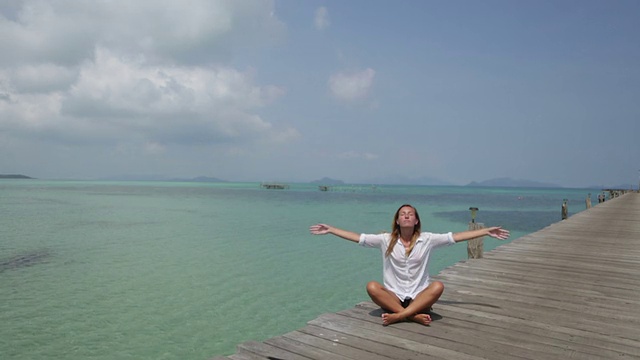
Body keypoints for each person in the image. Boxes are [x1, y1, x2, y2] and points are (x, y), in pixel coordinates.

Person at [309, 203, 510, 326]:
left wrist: (484, 232)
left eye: (410, 214)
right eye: (402, 214)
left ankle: (400, 315)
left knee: (438, 286)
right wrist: (332, 229)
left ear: (416, 221)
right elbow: (358, 237)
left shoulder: (428, 239)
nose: (406, 215)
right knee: (372, 286)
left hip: (419, 297)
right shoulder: (385, 240)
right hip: (393, 296)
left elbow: (456, 237)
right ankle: (412, 317)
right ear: (397, 220)